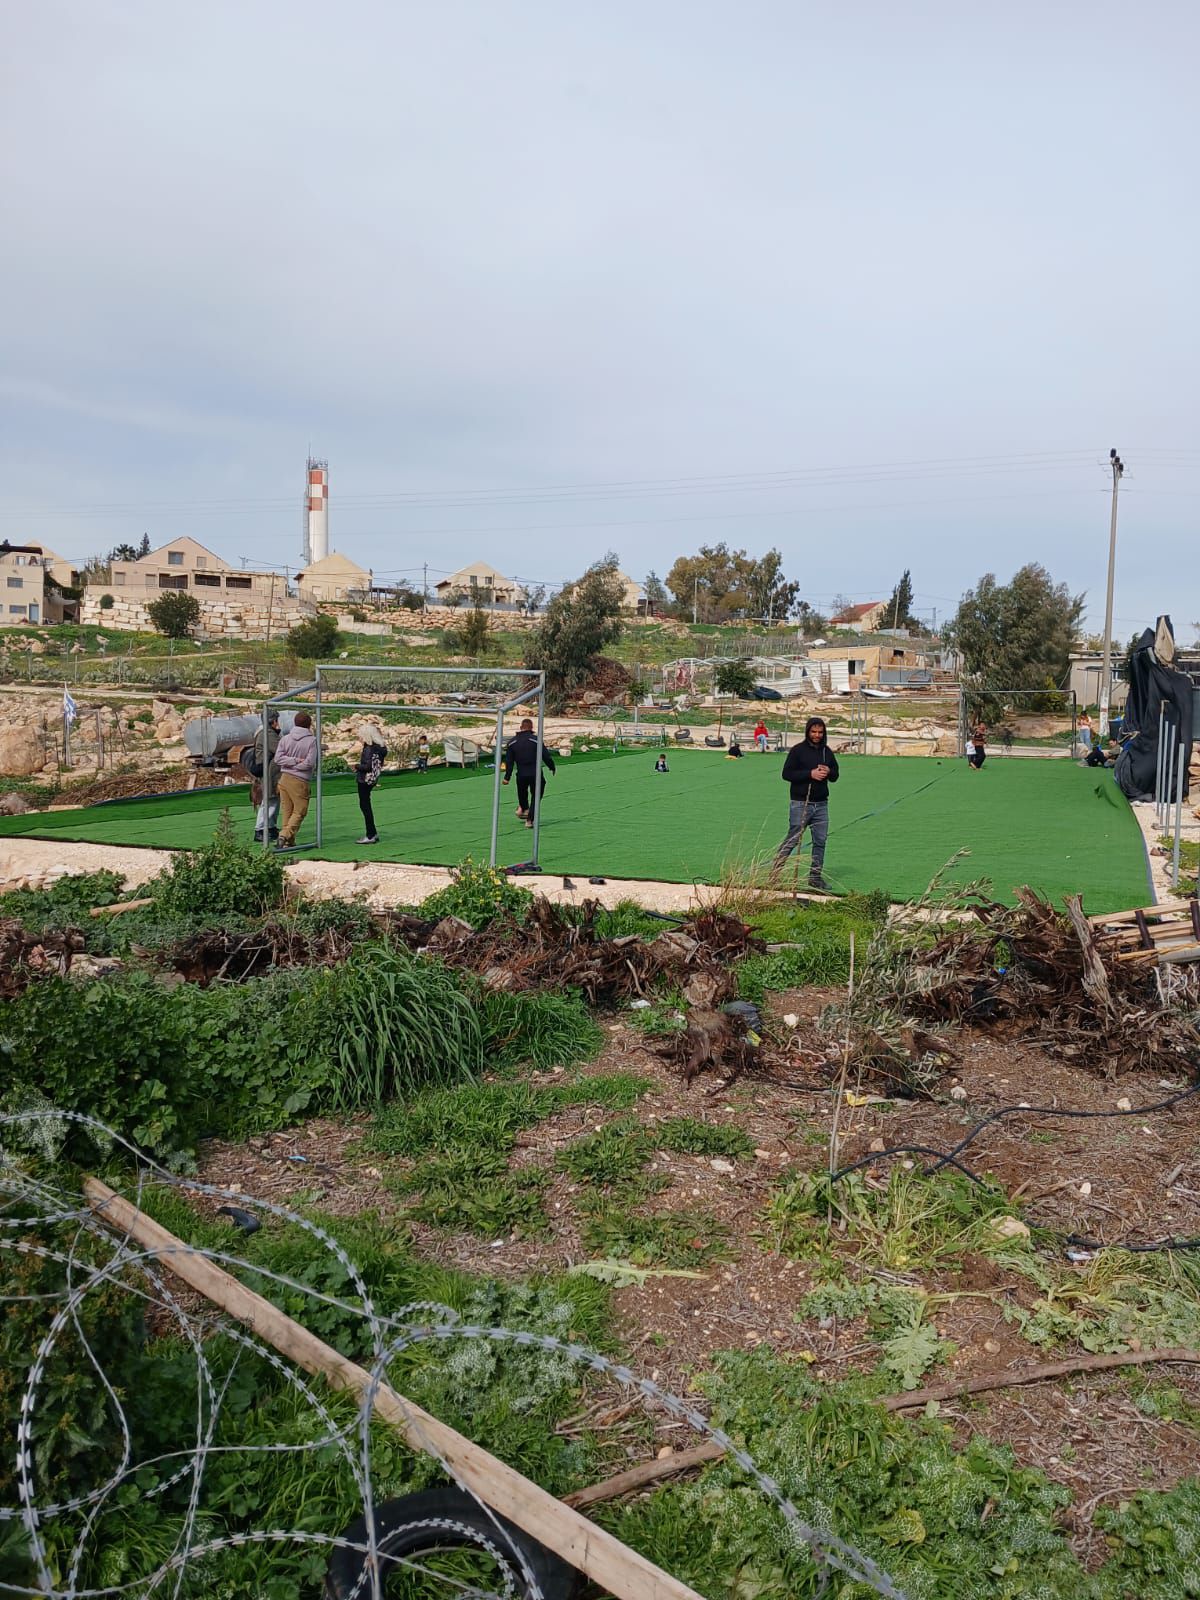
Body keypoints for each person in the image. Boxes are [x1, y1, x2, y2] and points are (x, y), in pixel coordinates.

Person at [772, 717, 839, 890]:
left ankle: (815, 877)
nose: (817, 735)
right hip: (801, 803)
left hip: (821, 805)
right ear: (808, 732)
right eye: (813, 731)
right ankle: (774, 875)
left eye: (820, 732)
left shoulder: (827, 752)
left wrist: (829, 771)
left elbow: (835, 776)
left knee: (820, 841)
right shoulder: (797, 751)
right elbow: (787, 774)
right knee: (792, 839)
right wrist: (810, 774)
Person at [274, 710, 318, 851]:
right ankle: (284, 835)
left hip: (284, 779)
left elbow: (278, 759)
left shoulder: (285, 738)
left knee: (287, 811)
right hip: (299, 780)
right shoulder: (312, 741)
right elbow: (310, 763)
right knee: (300, 811)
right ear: (309, 724)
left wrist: (290, 762)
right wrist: (298, 763)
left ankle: (288, 842)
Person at [502, 717, 556, 827]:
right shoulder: (536, 740)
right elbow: (546, 756)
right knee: (536, 796)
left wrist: (507, 777)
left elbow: (509, 761)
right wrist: (552, 767)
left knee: (522, 793)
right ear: (531, 728)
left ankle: (524, 808)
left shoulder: (512, 743)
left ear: (520, 727)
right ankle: (529, 820)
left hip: (521, 774)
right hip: (535, 774)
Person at [247, 710, 281, 842]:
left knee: (273, 800)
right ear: (272, 721)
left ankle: (270, 827)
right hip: (269, 773)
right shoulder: (268, 734)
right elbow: (280, 749)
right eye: (276, 720)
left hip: (270, 772)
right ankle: (260, 829)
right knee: (269, 801)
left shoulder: (267, 733)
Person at [353, 719, 387, 845]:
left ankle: (370, 834)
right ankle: (372, 833)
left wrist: (356, 766)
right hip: (373, 779)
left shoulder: (369, 748)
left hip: (364, 780)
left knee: (365, 806)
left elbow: (367, 766)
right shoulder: (380, 748)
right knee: (366, 805)